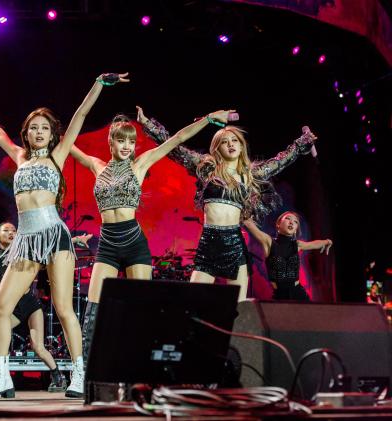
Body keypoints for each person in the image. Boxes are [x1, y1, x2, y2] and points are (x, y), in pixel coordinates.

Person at [0, 72, 128, 399]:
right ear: (27, 133)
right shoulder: (18, 156)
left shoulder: (59, 156)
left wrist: (99, 84)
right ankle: (1, 376)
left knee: (62, 307)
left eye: (45, 127)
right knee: (1, 308)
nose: (39, 132)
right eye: (34, 127)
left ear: (52, 134)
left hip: (54, 235)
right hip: (26, 240)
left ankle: (79, 374)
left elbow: (80, 115)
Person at [70, 108, 234, 361]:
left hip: (134, 242)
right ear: (110, 141)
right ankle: (86, 372)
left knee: (141, 307)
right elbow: (66, 142)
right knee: (94, 308)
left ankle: (140, 365)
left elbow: (177, 139)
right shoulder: (96, 166)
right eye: (121, 140)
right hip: (108, 244)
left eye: (131, 141)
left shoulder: (140, 164)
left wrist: (209, 118)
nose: (127, 146)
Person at [139, 109, 317, 301]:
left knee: (238, 306)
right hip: (209, 241)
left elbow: (280, 161)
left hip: (234, 242)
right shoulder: (206, 168)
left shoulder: (251, 174)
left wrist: (302, 142)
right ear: (217, 148)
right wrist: (147, 124)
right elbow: (174, 148)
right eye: (224, 142)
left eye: (234, 141)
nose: (230, 144)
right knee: (192, 299)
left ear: (241, 147)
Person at [0, 223, 92, 392]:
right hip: (12, 308)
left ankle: (57, 376)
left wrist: (74, 240)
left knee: (38, 346)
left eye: (14, 230)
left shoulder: (25, 253)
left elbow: (50, 244)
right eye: (6, 231)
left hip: (30, 304)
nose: (11, 233)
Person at [244, 211, 332, 300]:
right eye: (287, 219)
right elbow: (248, 224)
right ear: (278, 224)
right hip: (280, 296)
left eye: (295, 222)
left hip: (299, 294)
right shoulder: (269, 242)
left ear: (295, 230)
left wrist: (327, 241)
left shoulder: (297, 245)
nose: (291, 222)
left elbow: (314, 244)